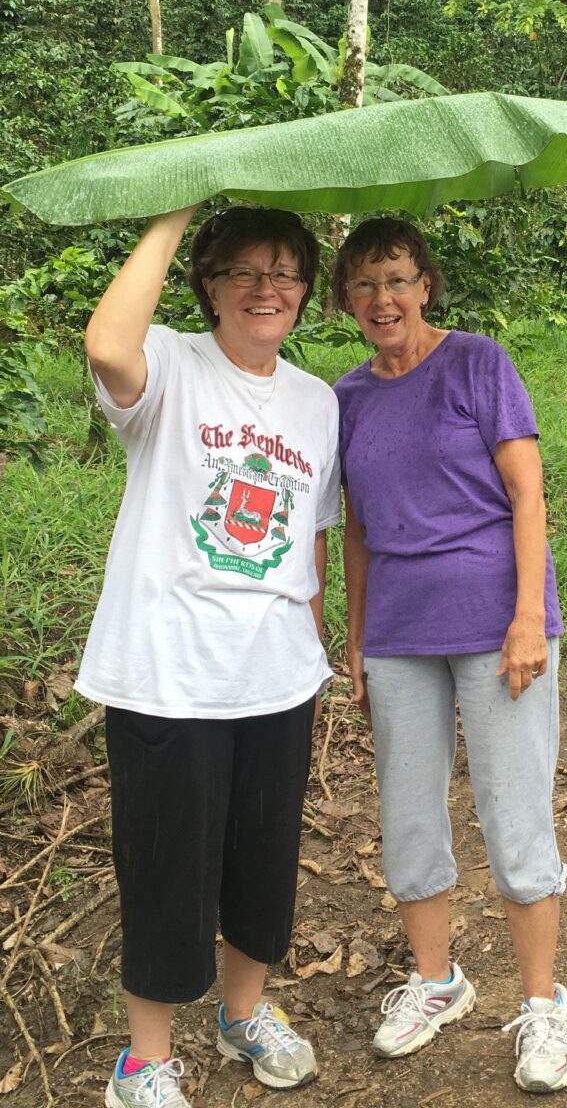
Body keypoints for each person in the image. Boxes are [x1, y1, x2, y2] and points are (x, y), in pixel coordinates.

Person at [77, 205, 341, 1108]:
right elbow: (107, 346)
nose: (267, 289)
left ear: (304, 292)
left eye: (285, 273)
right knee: (165, 867)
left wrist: (316, 652)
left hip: (277, 674)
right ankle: (144, 1064)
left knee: (262, 861)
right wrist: (177, 210)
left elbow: (309, 539)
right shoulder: (171, 366)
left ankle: (244, 1013)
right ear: (210, 287)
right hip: (167, 673)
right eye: (244, 272)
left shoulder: (317, 401)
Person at [331, 217, 567, 1094]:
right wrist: (356, 639)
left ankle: (542, 1004)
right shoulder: (347, 396)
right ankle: (436, 982)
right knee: (407, 815)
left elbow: (527, 493)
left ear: (425, 285)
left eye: (397, 279)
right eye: (364, 284)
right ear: (345, 300)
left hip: (495, 620)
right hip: (399, 632)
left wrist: (526, 617)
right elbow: (356, 529)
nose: (382, 299)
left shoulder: (478, 362)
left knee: (514, 813)